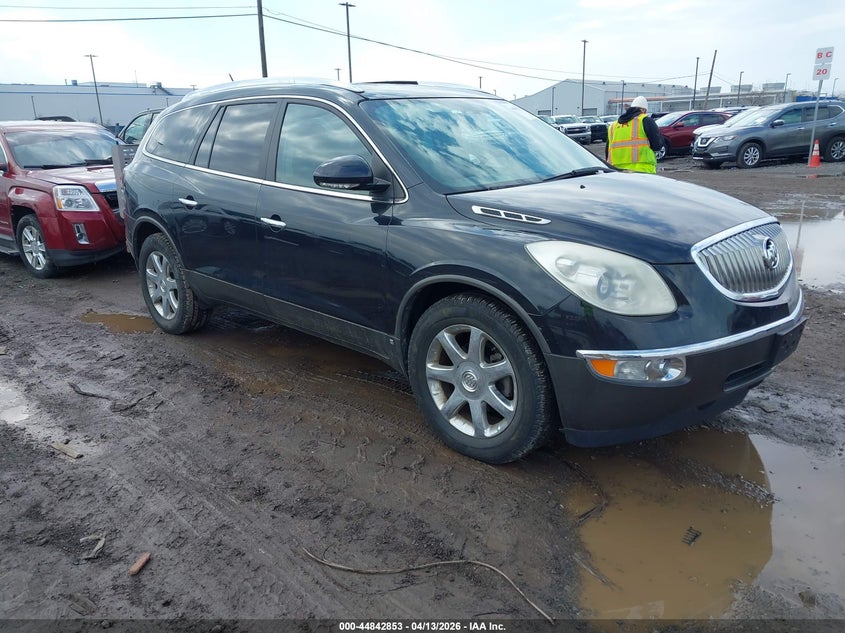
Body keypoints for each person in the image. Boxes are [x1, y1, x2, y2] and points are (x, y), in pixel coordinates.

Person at [606, 95, 662, 174]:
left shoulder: (613, 126)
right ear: (643, 110)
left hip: (617, 171)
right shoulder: (645, 120)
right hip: (642, 170)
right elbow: (657, 146)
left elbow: (608, 151)